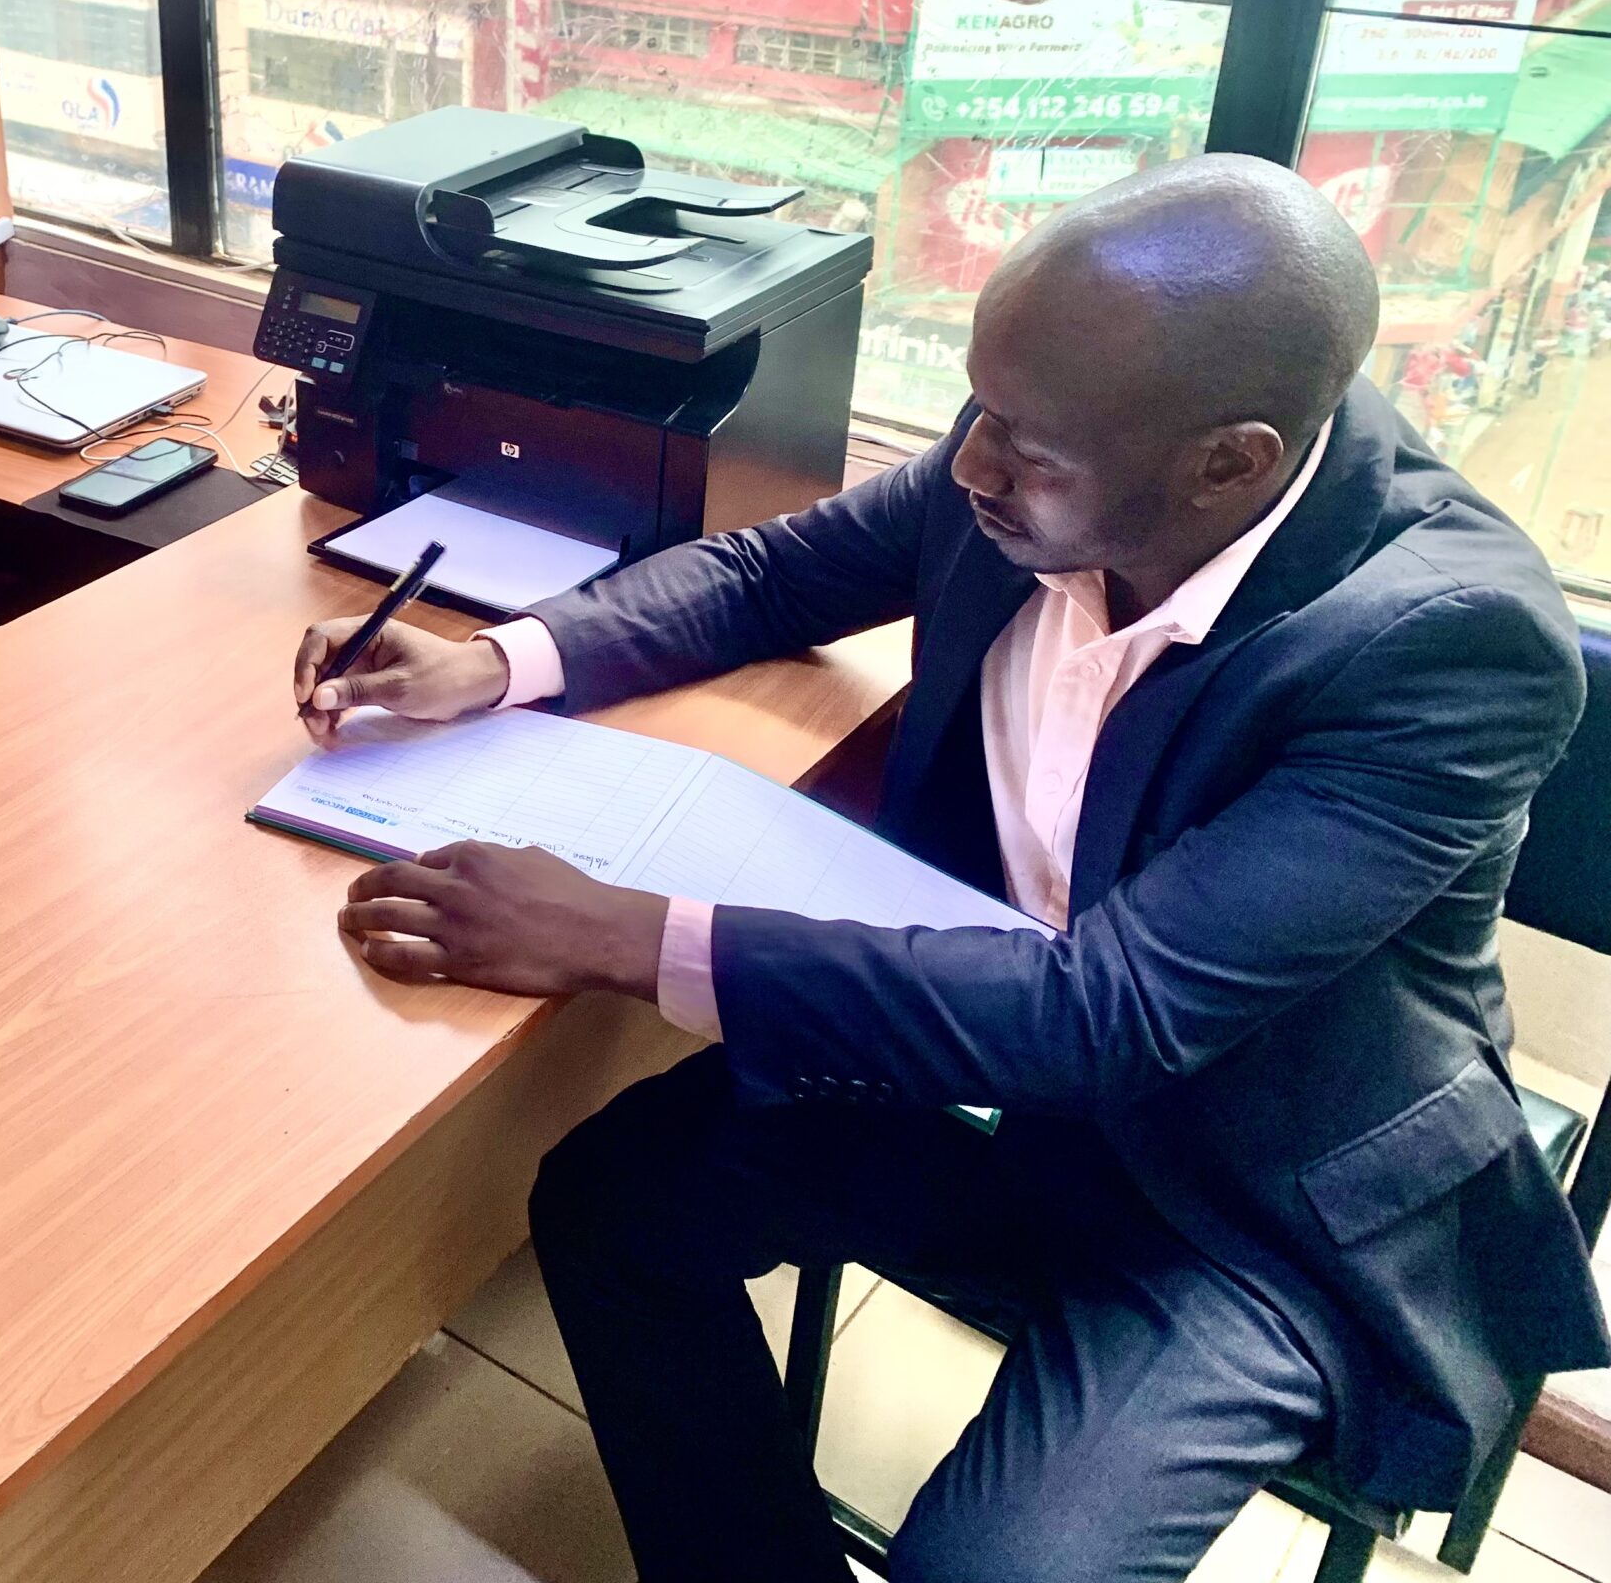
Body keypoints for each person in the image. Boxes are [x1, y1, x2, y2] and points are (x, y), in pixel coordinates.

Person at [290, 155, 1606, 1582]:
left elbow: (1109, 1016)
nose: (970, 466)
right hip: (999, 1092)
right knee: (611, 1203)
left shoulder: (1449, 644)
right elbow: (768, 577)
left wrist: (624, 933)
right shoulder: (1050, 460)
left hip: (1245, 1196)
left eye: (1025, 451)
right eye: (977, 414)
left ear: (1231, 464)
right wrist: (494, 664)